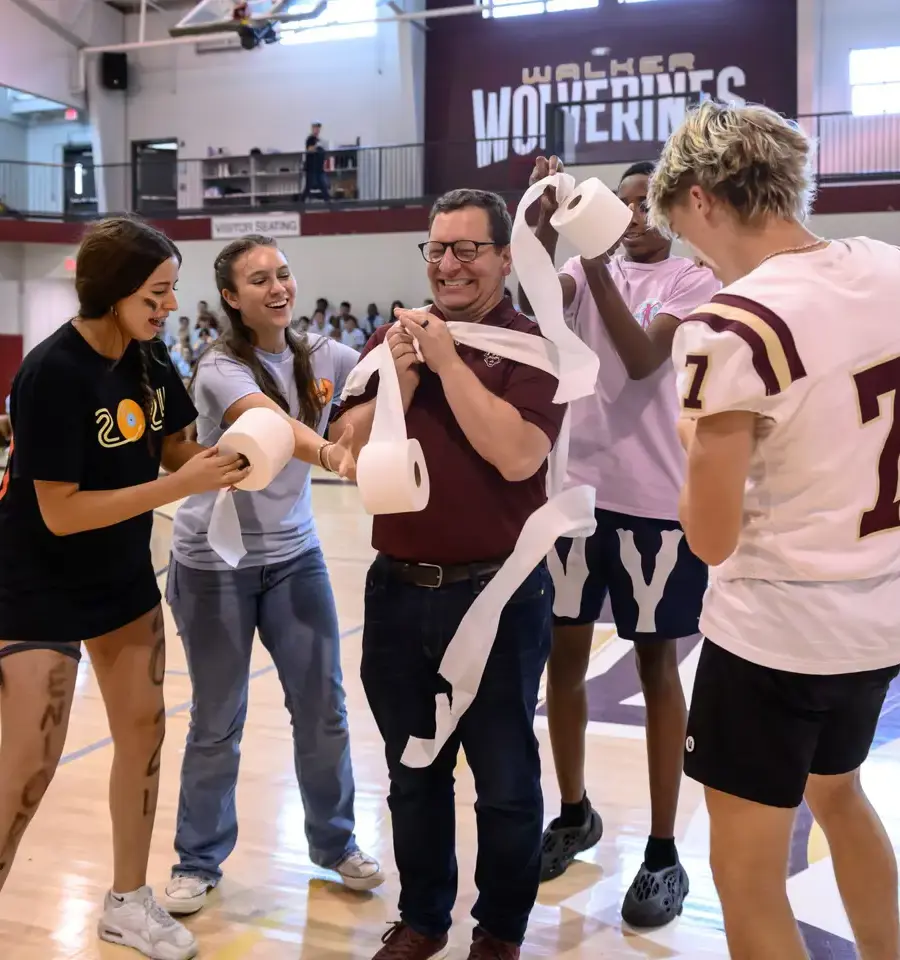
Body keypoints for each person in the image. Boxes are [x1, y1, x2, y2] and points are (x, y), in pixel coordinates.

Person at [649, 100, 900, 959]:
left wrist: (692, 443)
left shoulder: (728, 325)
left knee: (748, 877)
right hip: (878, 618)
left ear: (705, 198)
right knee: (842, 797)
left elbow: (710, 539)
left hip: (776, 634)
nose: (687, 243)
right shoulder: (886, 265)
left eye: (679, 221)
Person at [0, 217, 251, 960]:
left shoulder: (147, 359)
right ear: (113, 292)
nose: (171, 304)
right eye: (158, 291)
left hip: (120, 579)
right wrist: (178, 482)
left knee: (144, 733)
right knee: (27, 768)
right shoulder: (50, 373)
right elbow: (61, 509)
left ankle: (127, 902)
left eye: (173, 290)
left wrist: (240, 455)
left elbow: (175, 446)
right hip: (35, 584)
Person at [331, 189, 566, 960]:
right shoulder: (389, 338)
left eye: (468, 248)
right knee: (411, 775)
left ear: (505, 256)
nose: (449, 263)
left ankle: (500, 930)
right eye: (436, 248)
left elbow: (518, 454)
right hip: (398, 592)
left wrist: (446, 363)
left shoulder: (533, 345)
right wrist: (397, 378)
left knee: (503, 784)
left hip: (496, 594)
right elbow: (347, 446)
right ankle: (426, 919)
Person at [519, 157, 720, 925]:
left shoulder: (690, 281)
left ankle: (664, 848)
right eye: (623, 201)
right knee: (562, 659)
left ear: (665, 211)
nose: (634, 213)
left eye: (645, 203)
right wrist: (540, 224)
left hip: (654, 507)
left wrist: (593, 260)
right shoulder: (577, 265)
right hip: (576, 497)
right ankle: (574, 811)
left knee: (655, 663)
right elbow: (536, 305)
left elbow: (641, 362)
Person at [163, 235, 383, 916]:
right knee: (217, 720)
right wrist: (333, 452)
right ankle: (198, 860)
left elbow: (377, 366)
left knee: (322, 712)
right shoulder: (219, 366)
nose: (278, 287)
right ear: (231, 297)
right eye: (259, 280)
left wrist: (391, 371)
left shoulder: (321, 353)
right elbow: (272, 425)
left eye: (283, 274)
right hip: (213, 563)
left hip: (295, 559)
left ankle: (336, 842)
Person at [302, 123, 330, 203]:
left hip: (319, 168)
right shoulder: (310, 139)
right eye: (315, 128)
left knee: (323, 186)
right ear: (312, 129)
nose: (317, 130)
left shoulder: (320, 140)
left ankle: (329, 204)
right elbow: (310, 149)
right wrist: (317, 146)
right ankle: (300, 204)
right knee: (308, 187)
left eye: (318, 128)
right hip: (311, 168)